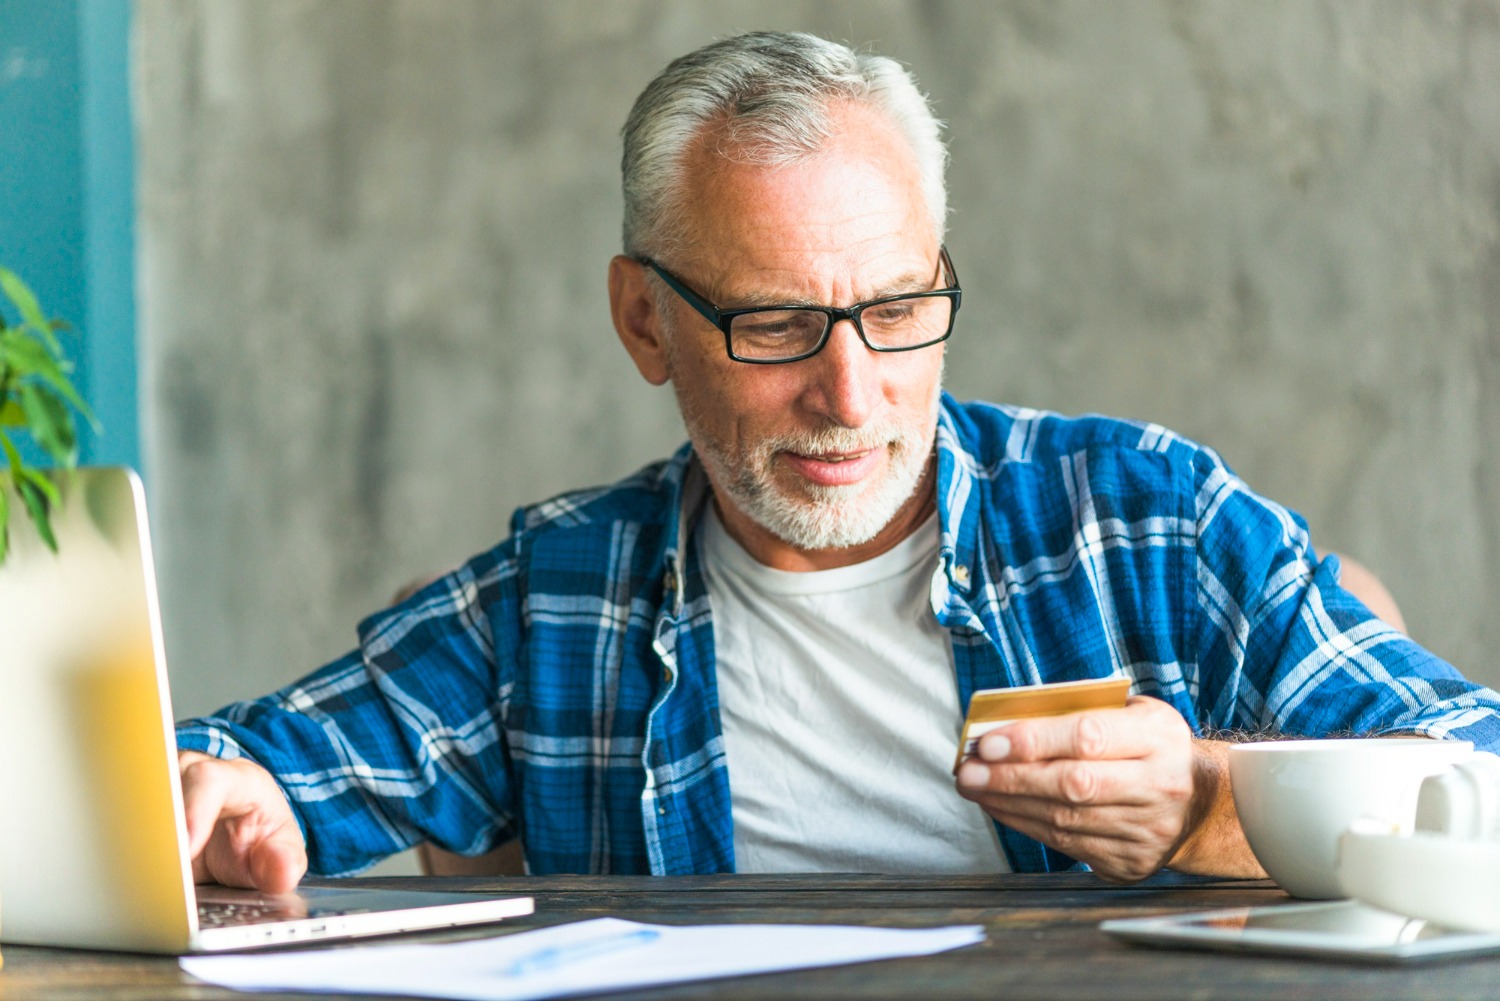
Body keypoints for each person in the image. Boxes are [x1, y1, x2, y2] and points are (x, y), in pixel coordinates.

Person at [175, 31, 1500, 894]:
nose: (851, 391)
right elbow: (232, 774)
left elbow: (1479, 779)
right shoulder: (555, 604)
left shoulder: (1144, 523)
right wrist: (225, 800)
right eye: (776, 325)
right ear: (646, 320)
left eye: (898, 310)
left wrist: (1213, 800)